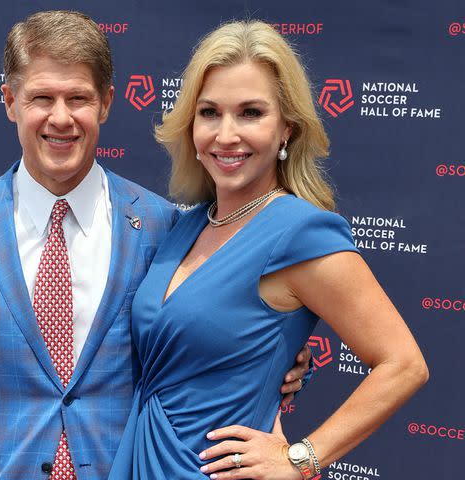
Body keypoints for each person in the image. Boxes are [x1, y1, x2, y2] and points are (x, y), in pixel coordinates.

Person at [0, 11, 309, 479]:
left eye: (79, 98)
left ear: (106, 103)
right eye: (42, 98)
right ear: (9, 101)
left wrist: (284, 363)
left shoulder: (163, 228)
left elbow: (215, 335)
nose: (61, 117)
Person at [108, 20, 428, 479]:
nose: (226, 134)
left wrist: (302, 458)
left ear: (287, 130)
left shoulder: (300, 232)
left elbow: (404, 364)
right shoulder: (187, 225)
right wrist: (284, 361)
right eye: (210, 112)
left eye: (251, 113)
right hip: (141, 460)